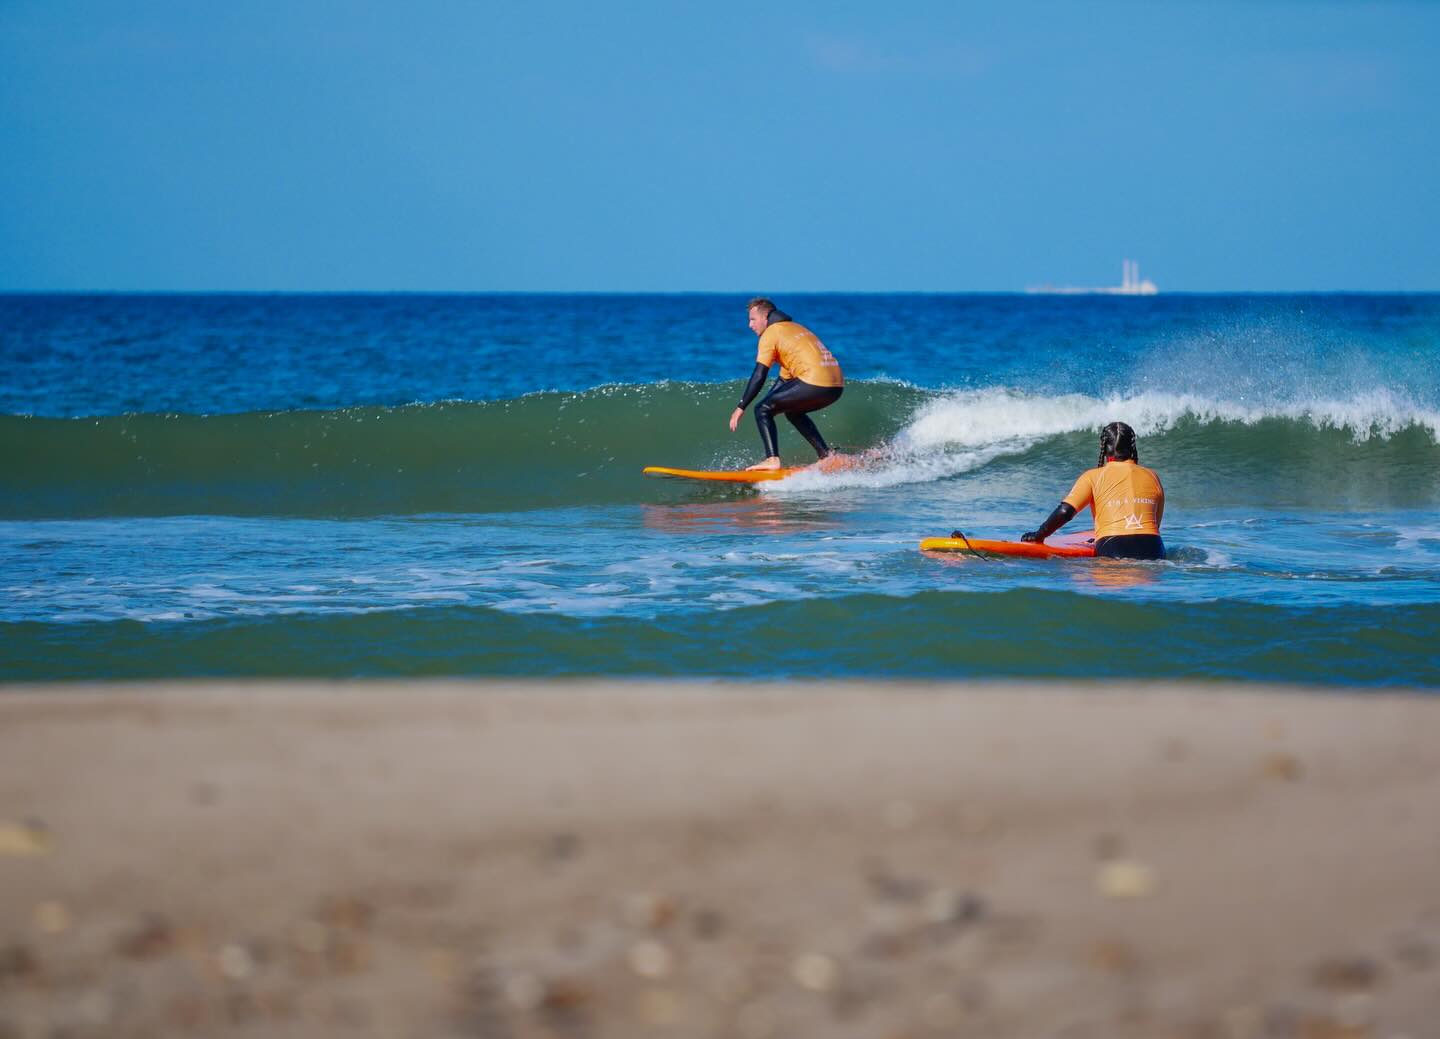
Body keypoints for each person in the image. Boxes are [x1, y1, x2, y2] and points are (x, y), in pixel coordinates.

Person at [1018, 421, 1166, 560]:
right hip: (1154, 547)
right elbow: (1155, 525)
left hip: (1113, 547)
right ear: (1132, 447)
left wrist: (1039, 536)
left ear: (1104, 447)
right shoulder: (1152, 476)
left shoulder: (1093, 476)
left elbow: (1065, 512)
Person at [728, 297, 844, 471]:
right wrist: (768, 408)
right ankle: (826, 456)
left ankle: (772, 460)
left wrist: (741, 407)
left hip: (814, 381)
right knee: (791, 411)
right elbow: (784, 381)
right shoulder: (795, 329)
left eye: (752, 319)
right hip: (835, 386)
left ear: (765, 317)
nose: (749, 325)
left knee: (761, 409)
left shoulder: (771, 333)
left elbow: (759, 374)